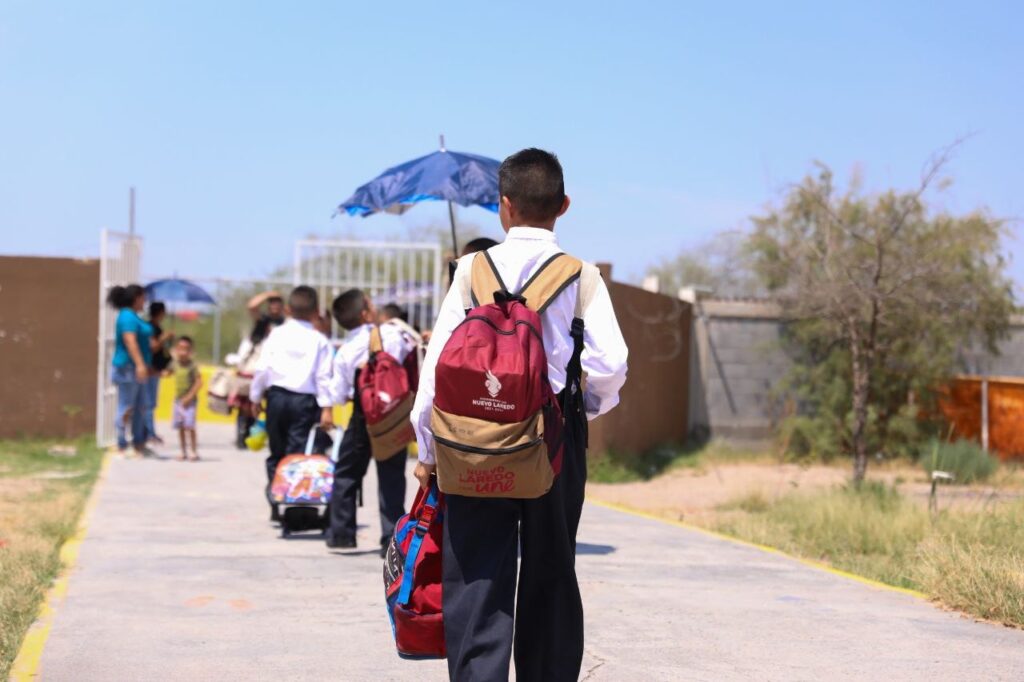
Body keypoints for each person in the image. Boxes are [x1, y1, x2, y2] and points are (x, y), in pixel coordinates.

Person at [410, 148, 628, 681]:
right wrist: (580, 412)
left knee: (478, 572)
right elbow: (611, 363)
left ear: (503, 205)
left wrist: (428, 449)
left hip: (471, 439)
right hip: (553, 438)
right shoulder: (582, 276)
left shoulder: (470, 271)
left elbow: (437, 368)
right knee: (551, 568)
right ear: (564, 205)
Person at [326, 290, 410, 555]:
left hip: (362, 415)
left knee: (346, 472)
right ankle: (391, 538)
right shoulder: (392, 335)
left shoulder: (345, 351)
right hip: (392, 413)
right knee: (392, 476)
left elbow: (337, 395)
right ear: (365, 313)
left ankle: (342, 534)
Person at [249, 286, 334, 518]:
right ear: (316, 311)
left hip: (276, 398)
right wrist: (327, 408)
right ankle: (295, 504)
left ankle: (276, 501)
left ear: (288, 309)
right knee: (298, 453)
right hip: (305, 403)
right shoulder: (320, 340)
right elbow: (323, 377)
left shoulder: (276, 334)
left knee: (276, 451)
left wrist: (255, 397)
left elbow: (262, 368)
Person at [233, 291, 287, 448]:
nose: (275, 307)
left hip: (276, 365)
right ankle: (243, 434)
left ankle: (269, 435)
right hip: (255, 364)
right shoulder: (263, 320)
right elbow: (252, 306)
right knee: (246, 403)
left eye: (278, 304)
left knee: (271, 402)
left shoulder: (285, 323)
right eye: (272, 303)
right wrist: (269, 294)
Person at [107, 284, 154, 458]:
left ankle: (138, 442)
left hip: (138, 369)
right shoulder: (127, 317)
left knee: (141, 406)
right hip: (128, 368)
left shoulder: (135, 317)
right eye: (143, 297)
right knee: (126, 406)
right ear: (137, 298)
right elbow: (130, 341)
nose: (145, 301)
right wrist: (140, 364)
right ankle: (121, 443)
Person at [145, 301, 174, 444]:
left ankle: (150, 432)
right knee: (149, 404)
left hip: (156, 370)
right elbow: (153, 347)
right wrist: (164, 338)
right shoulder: (150, 328)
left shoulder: (157, 328)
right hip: (150, 370)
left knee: (151, 403)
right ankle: (149, 433)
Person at [170, 336, 202, 461]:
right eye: (180, 349)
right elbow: (167, 372)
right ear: (176, 350)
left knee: (190, 426)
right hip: (178, 401)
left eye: (186, 349)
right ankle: (183, 451)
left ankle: (193, 451)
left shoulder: (192, 366)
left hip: (190, 401)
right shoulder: (175, 364)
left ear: (191, 351)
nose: (183, 352)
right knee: (181, 427)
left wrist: (190, 396)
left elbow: (199, 382)